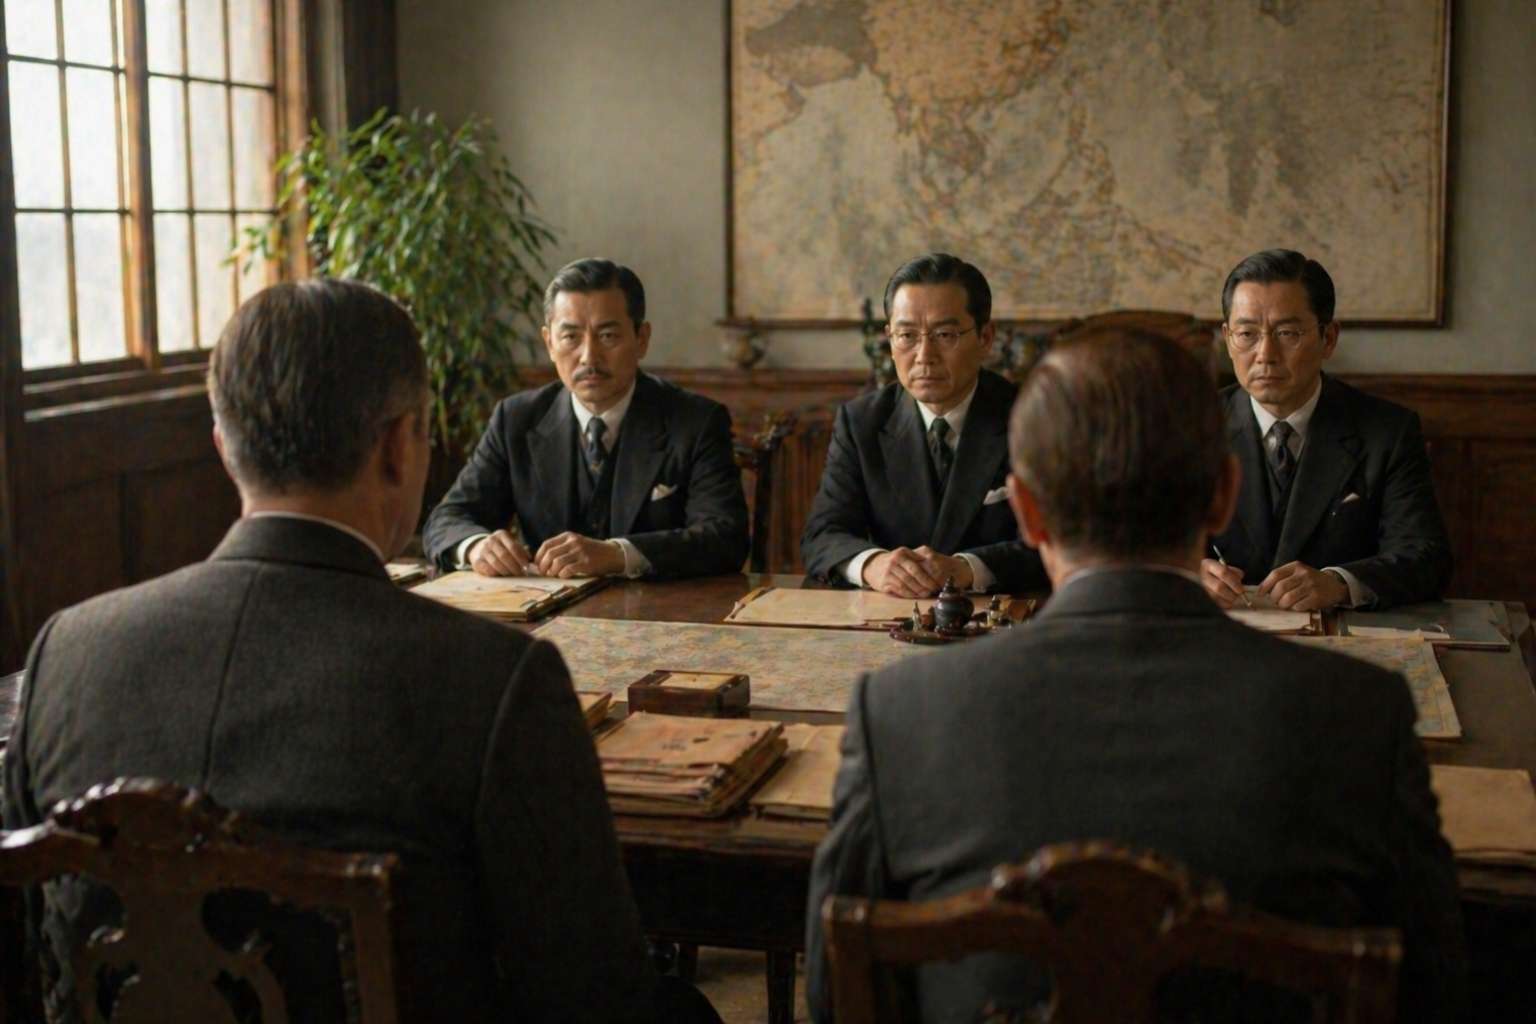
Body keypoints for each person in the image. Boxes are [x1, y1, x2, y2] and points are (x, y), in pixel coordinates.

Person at [3, 280, 718, 1023]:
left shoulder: (66, 656)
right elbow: (590, 992)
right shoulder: (493, 680)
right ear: (399, 446)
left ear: (222, 446)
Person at [805, 330, 1463, 1022]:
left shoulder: (898, 711)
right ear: (1222, 497)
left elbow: (838, 995)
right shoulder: (1363, 712)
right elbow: (1432, 993)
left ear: (1025, 511)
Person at [422, 258, 749, 579]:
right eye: (571, 337)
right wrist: (477, 547)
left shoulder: (695, 421)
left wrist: (618, 555)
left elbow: (725, 538)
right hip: (542, 618)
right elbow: (447, 520)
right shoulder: (516, 419)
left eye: (608, 336)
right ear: (549, 343)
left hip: (657, 620)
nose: (589, 356)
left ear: (642, 339)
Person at [1202, 249, 1452, 611]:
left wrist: (1339, 583)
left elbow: (1427, 557)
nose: (1265, 353)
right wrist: (1187, 574)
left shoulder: (1387, 431)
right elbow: (1139, 546)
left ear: (1329, 338)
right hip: (1224, 635)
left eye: (1287, 333)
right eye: (1247, 333)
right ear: (1227, 338)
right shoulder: (1189, 425)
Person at [800, 253, 1047, 596]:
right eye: (907, 336)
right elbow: (822, 535)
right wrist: (872, 565)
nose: (924, 355)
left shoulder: (1034, 418)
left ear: (986, 338)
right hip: (890, 625)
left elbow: (1063, 540)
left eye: (945, 334)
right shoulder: (862, 423)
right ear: (889, 339)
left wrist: (967, 568)